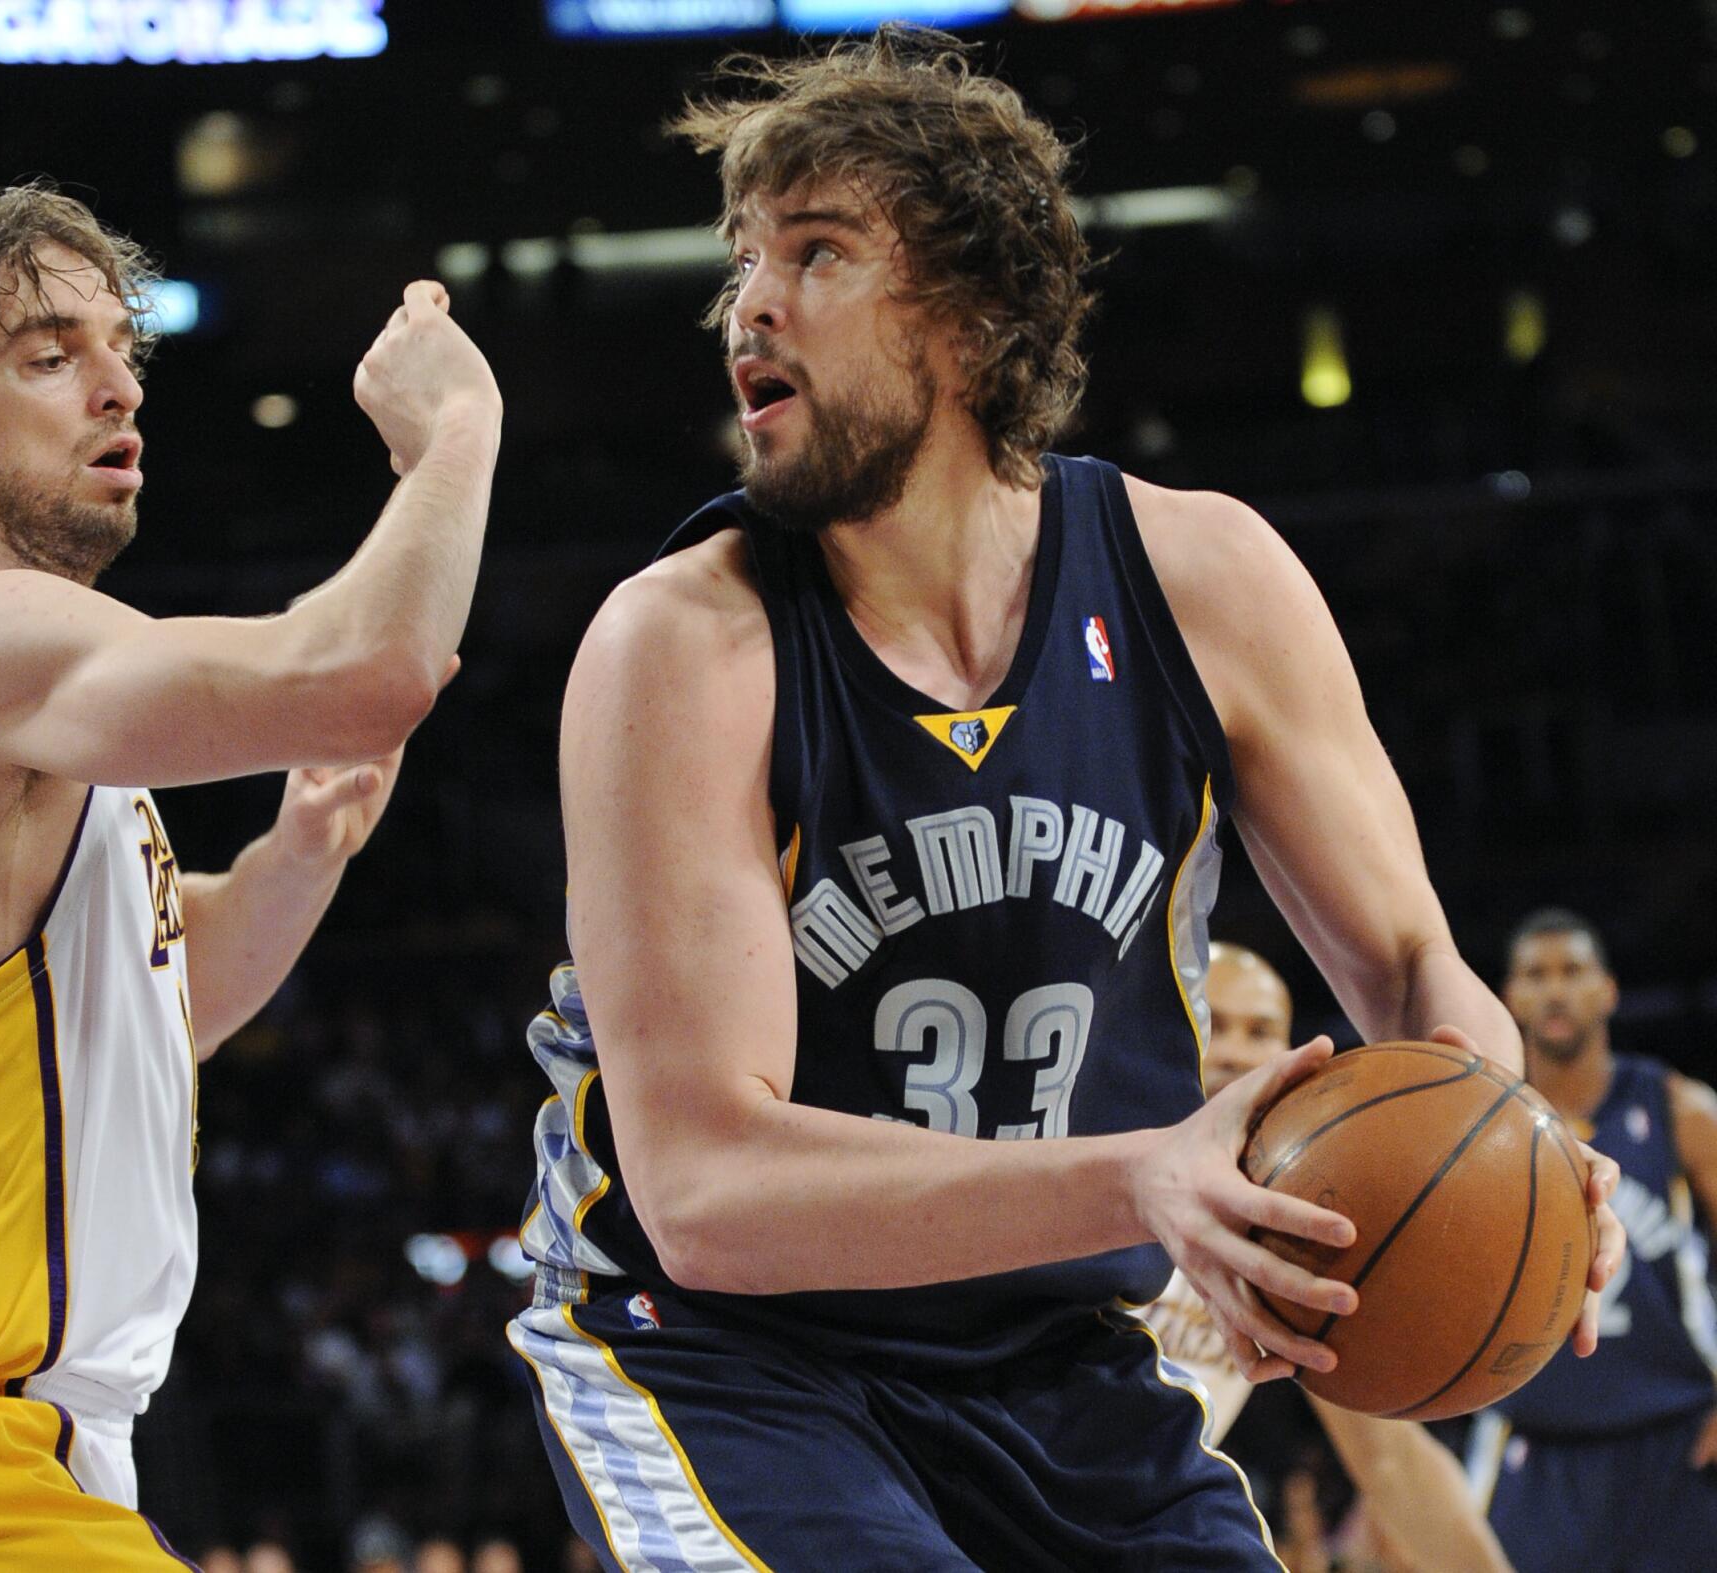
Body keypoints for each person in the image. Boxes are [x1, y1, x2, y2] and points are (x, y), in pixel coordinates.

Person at [508, 28, 1620, 1573]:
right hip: (724, 1354)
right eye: (742, 266)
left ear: (966, 318)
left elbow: (1420, 977)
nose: (748, 306)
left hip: (1056, 1354)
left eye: (816, 254)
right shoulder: (683, 647)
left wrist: (1518, 1145)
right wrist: (1142, 1177)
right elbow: (706, 1191)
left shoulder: (1203, 579)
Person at [0, 183, 502, 1568]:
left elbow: (151, 1011)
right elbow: (364, 669)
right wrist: (459, 427)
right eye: (47, 353)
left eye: (118, 347)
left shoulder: (28, 710)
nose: (115, 384)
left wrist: (300, 852)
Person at [1138, 943, 1516, 1573]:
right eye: (1213, 1022)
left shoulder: (1288, 1229)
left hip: (1137, 1519)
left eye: (1260, 1032)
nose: (1234, 1050)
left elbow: (1388, 1459)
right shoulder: (1094, 1168)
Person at [1454, 908, 1717, 1572]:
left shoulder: (1677, 1109)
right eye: (1536, 974)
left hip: (1680, 1438)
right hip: (1534, 1444)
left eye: (1573, 971)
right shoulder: (1479, 1121)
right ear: (1511, 996)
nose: (1555, 989)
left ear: (1608, 989)